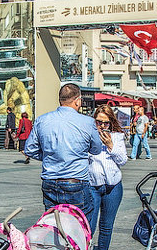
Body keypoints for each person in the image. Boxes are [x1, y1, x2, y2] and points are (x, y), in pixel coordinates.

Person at [23, 83, 104, 233]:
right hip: (76, 183)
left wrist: (50, 156)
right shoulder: (87, 122)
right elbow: (97, 149)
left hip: (50, 183)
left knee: (53, 227)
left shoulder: (42, 120)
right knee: (80, 229)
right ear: (77, 101)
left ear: (60, 100)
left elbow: (29, 149)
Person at [89, 105, 128, 250]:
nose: (102, 126)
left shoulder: (117, 137)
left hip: (113, 187)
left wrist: (111, 145)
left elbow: (123, 160)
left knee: (106, 226)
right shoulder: (88, 137)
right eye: (99, 122)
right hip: (92, 186)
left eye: (106, 123)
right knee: (88, 226)